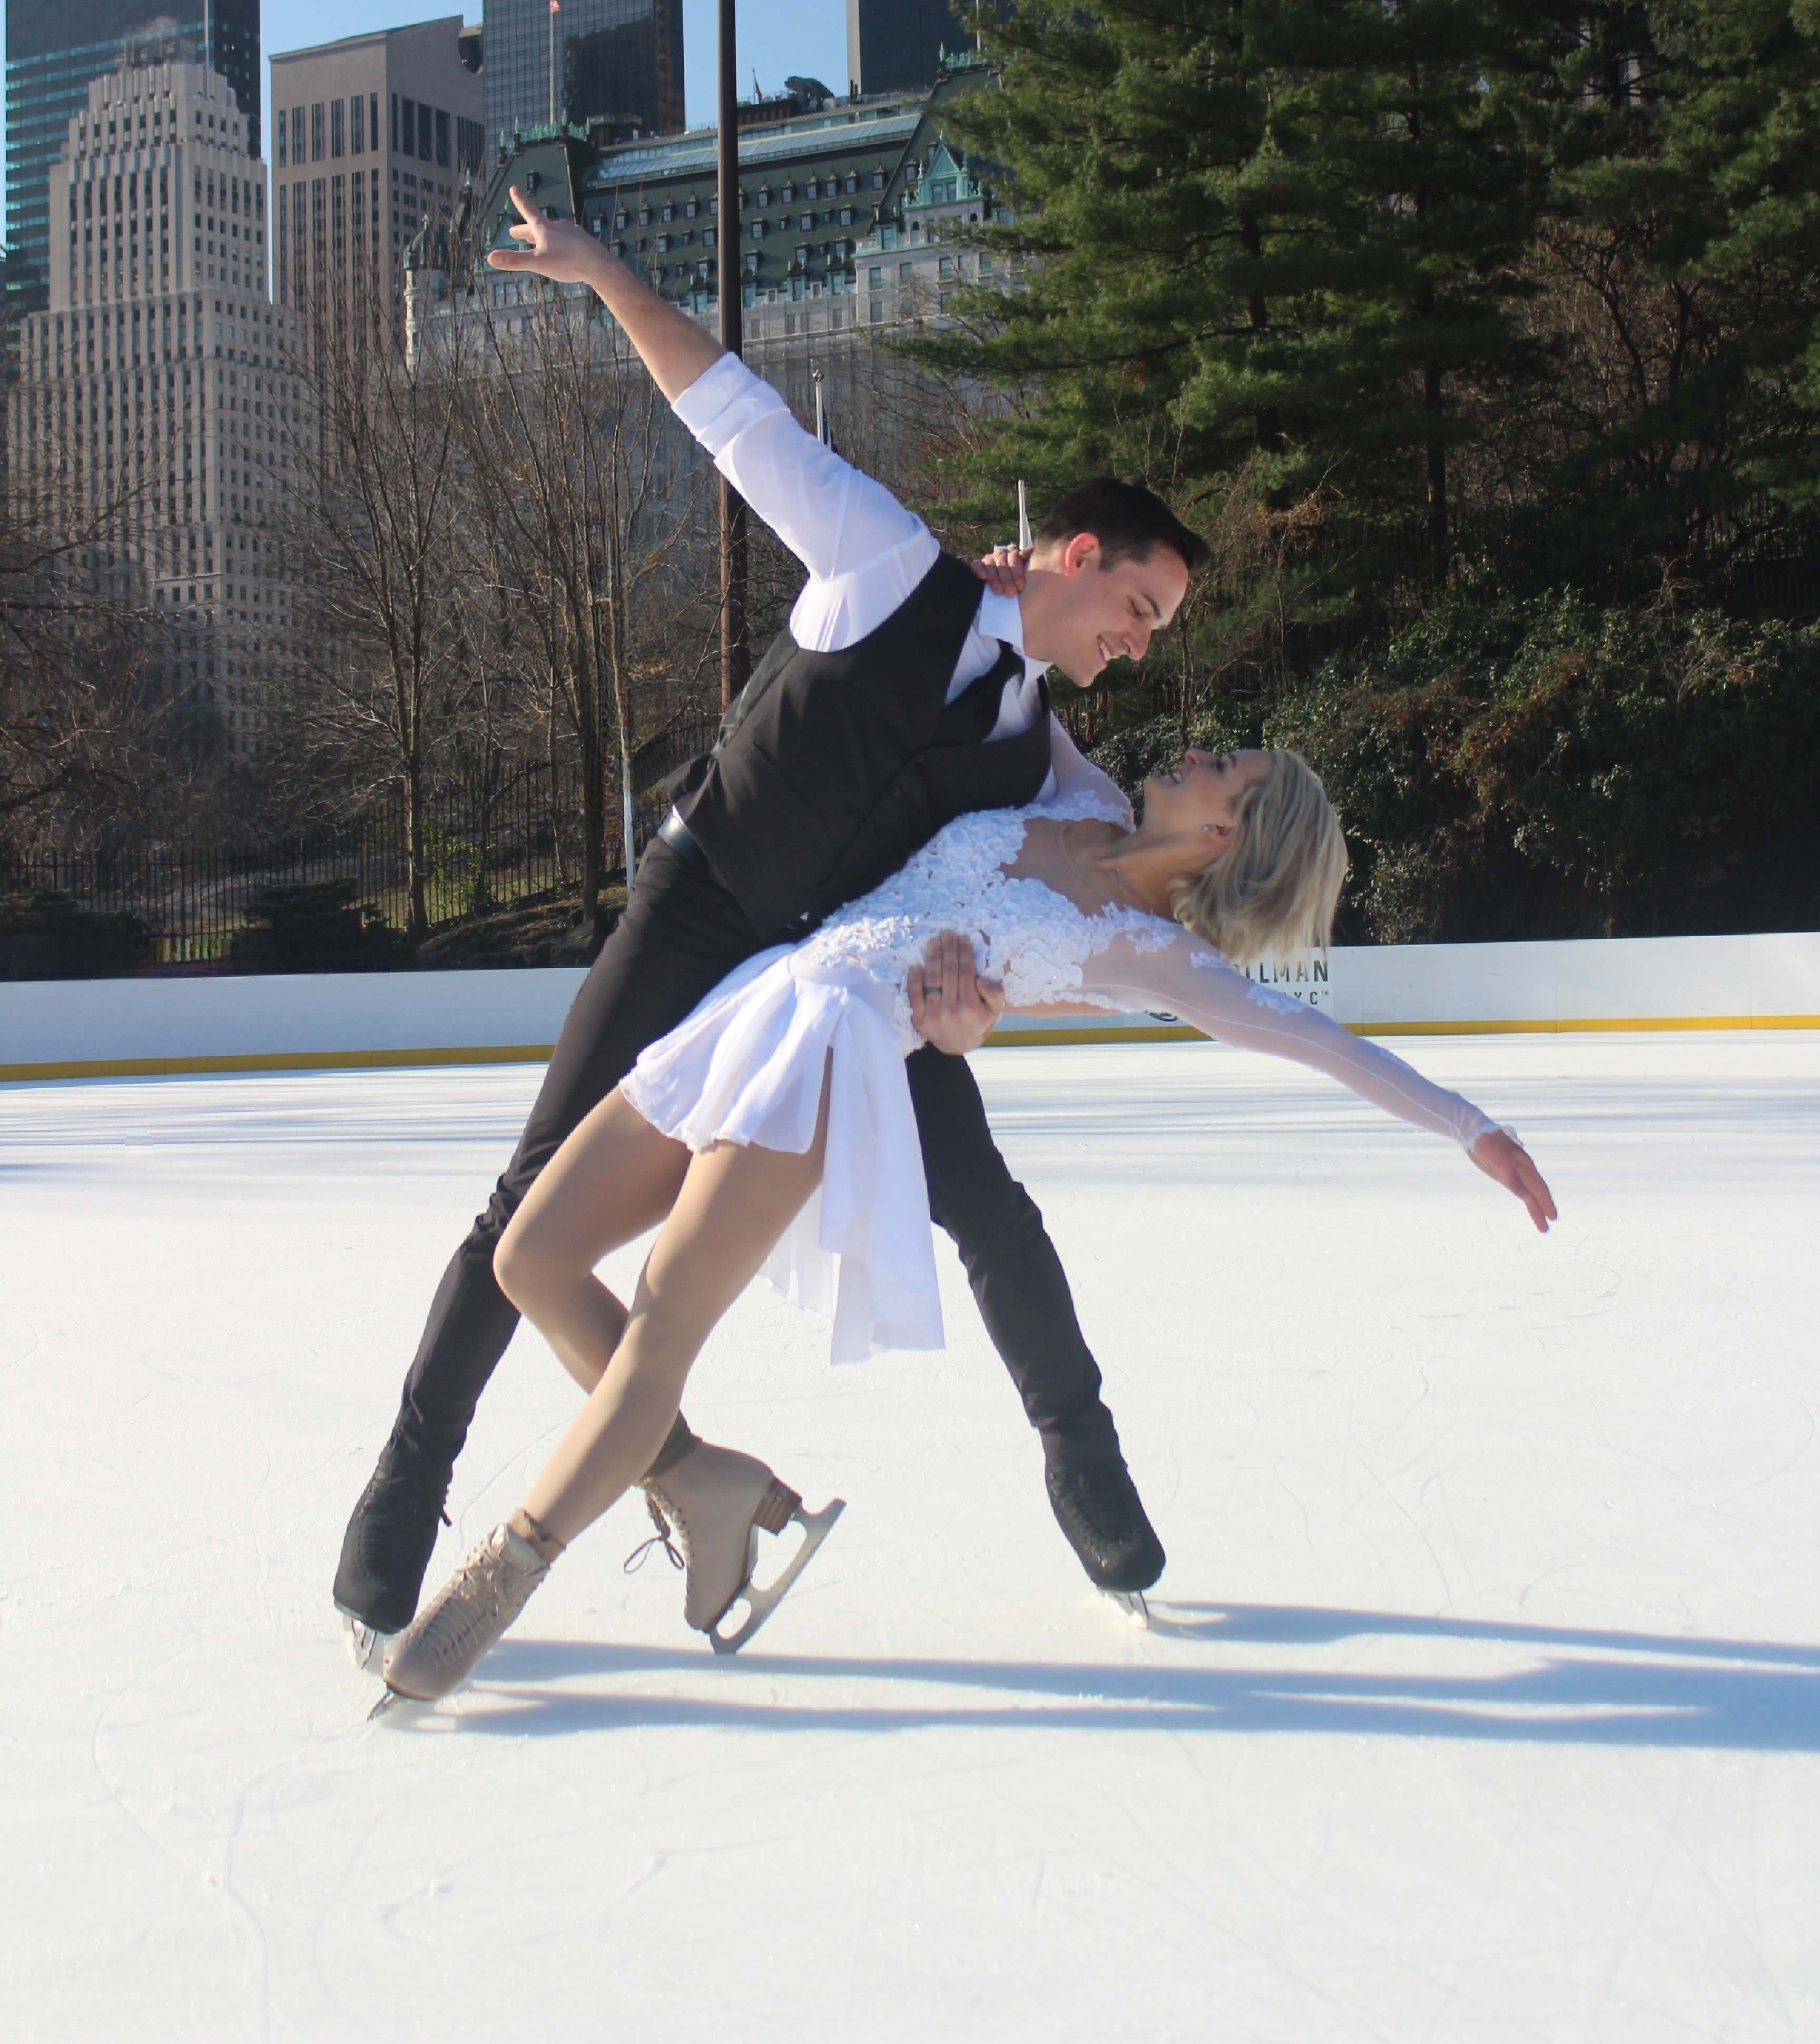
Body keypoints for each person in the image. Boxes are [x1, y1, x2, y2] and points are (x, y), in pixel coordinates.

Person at [333, 183, 1208, 1669]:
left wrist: (1222, 874)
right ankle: (417, 1494)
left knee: (985, 1198)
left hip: (836, 984)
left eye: (1161, 629)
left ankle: (1086, 1461)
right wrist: (608, 273)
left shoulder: (1044, 752)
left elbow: (1143, 842)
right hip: (700, 916)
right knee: (526, 1211)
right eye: (1140, 602)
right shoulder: (883, 563)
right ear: (1072, 553)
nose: (1141, 641)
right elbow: (732, 414)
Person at [373, 743, 1556, 1708]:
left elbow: (1315, 1040)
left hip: (829, 1062)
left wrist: (1469, 1127)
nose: (1197, 752)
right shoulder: (1080, 799)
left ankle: (499, 1580)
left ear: (1222, 840)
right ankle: (699, 1481)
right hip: (760, 1004)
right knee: (531, 1252)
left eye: (1224, 771)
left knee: (661, 1325)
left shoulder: (1155, 956)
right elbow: (1005, 651)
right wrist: (999, 573)